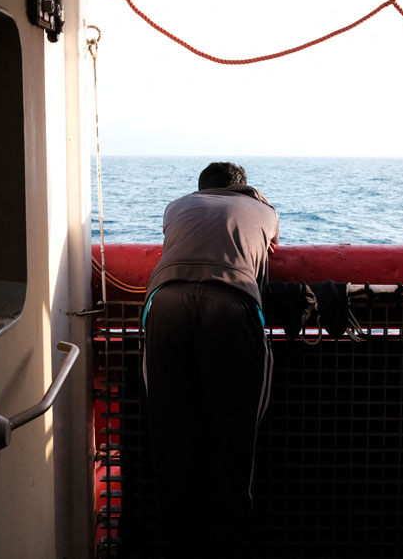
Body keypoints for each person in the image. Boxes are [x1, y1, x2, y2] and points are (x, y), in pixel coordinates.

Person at [142, 161, 279, 558]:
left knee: (171, 443)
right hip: (232, 306)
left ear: (201, 188)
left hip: (165, 303)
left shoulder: (176, 206)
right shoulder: (264, 211)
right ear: (244, 190)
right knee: (234, 448)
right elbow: (270, 250)